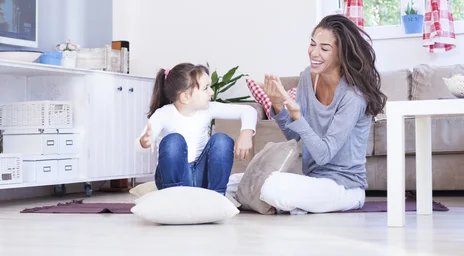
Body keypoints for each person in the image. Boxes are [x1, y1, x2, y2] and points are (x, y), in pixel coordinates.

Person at [259, 14, 387, 214]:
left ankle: (297, 205)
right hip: (313, 181)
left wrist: (298, 117)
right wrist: (278, 106)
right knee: (240, 181)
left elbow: (323, 155)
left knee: (271, 187)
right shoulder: (308, 78)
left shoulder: (353, 97)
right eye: (312, 44)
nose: (314, 53)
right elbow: (294, 136)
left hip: (344, 188)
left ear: (341, 54)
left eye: (325, 48)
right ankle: (299, 205)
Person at [136, 63, 257, 195]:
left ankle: (216, 196)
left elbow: (249, 111)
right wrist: (144, 142)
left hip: (201, 178)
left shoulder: (208, 109)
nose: (211, 92)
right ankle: (174, 197)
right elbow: (139, 146)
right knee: (173, 141)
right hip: (174, 180)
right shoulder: (163, 114)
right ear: (186, 97)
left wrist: (246, 133)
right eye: (206, 88)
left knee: (222, 140)